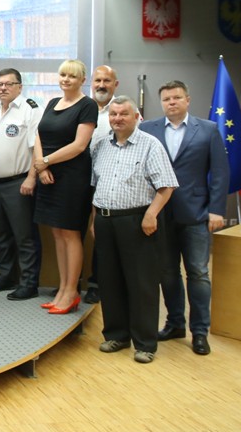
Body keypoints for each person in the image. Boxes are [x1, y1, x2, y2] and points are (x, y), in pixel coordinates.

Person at [141, 80, 230, 356]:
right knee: (167, 272)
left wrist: (217, 210)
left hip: (196, 213)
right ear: (162, 103)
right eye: (166, 99)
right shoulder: (148, 129)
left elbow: (220, 172)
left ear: (187, 100)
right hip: (160, 214)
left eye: (177, 97)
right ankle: (175, 324)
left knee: (198, 273)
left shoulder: (208, 129)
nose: (171, 102)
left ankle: (200, 332)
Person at [92, 96, 177, 364]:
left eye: (123, 114)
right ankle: (117, 335)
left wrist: (151, 214)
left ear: (136, 116)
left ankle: (145, 343)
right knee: (110, 280)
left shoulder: (150, 145)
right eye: (113, 114)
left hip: (137, 221)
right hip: (105, 220)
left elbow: (167, 185)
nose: (117, 119)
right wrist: (94, 220)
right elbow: (96, 185)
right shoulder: (100, 145)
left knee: (142, 283)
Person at [32, 59, 97, 314]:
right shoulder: (52, 103)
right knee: (57, 234)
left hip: (72, 177)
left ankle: (72, 292)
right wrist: (41, 167)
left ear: (82, 80)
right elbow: (39, 135)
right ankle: (61, 288)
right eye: (63, 75)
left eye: (72, 76)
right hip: (48, 175)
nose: (66, 80)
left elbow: (79, 146)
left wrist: (46, 161)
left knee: (70, 234)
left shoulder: (87, 105)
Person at [0, 68, 43, 300]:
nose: (3, 88)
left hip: (19, 183)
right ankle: (6, 276)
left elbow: (37, 148)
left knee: (24, 236)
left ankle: (29, 283)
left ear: (20, 86)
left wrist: (32, 177)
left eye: (9, 84)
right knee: (0, 235)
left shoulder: (30, 110)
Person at [84, 64, 123, 304]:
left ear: (115, 84)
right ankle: (72, 283)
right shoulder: (83, 107)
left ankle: (98, 284)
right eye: (97, 80)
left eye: (106, 81)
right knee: (75, 232)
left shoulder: (122, 110)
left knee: (102, 235)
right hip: (79, 179)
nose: (101, 85)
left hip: (108, 181)